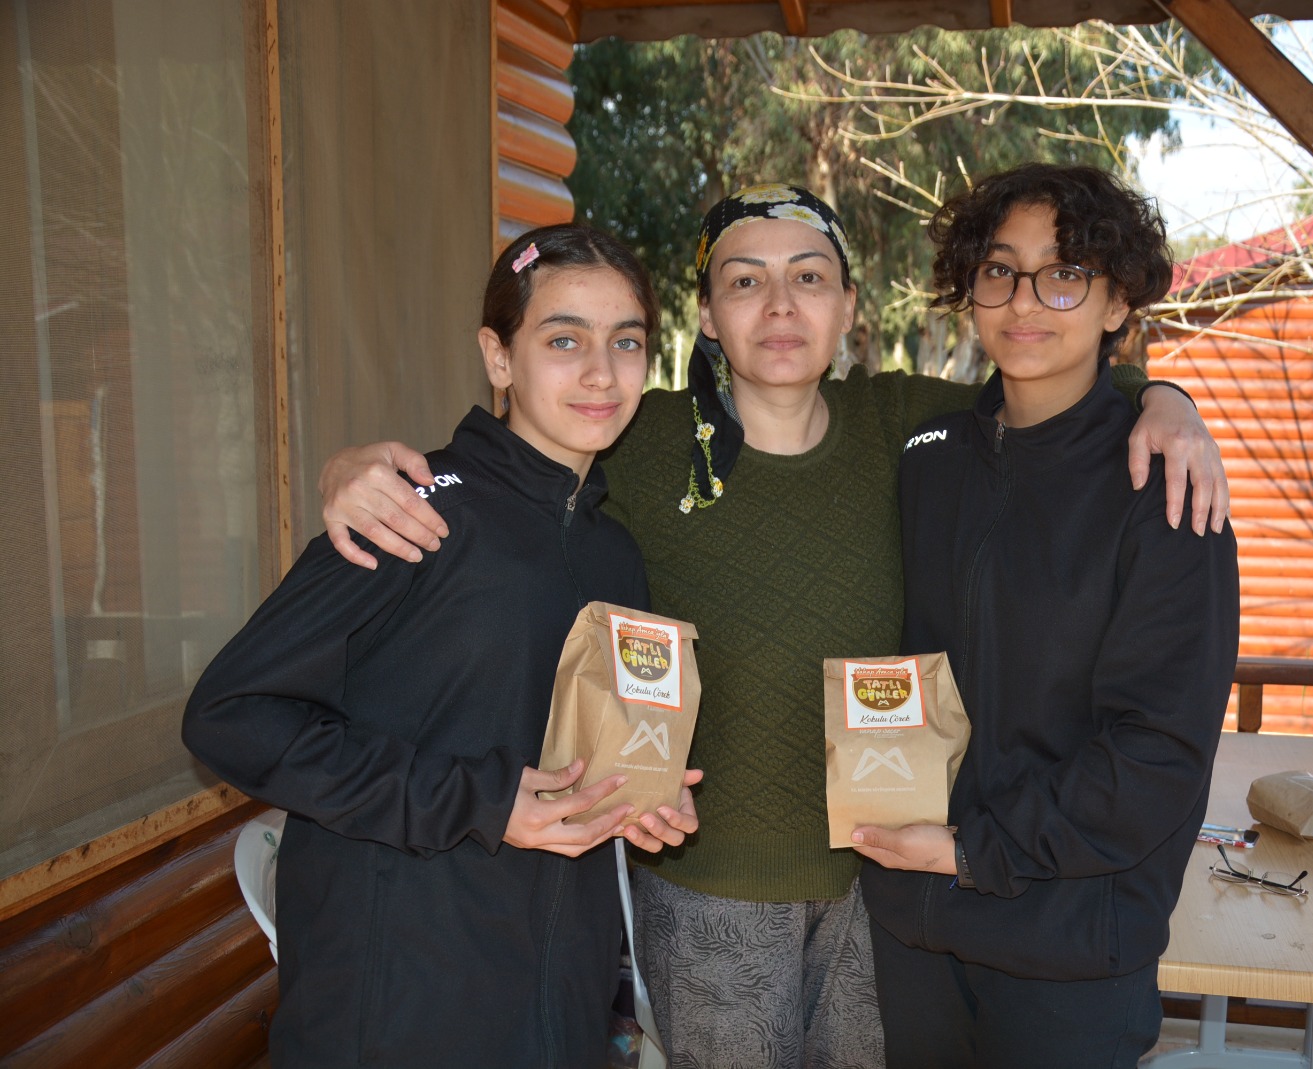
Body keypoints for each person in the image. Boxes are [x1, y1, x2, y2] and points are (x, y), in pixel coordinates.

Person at [316, 184, 1229, 1069]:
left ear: (848, 306)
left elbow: (1044, 384)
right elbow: (515, 464)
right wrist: (354, 470)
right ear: (708, 315)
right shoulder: (640, 435)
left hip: (881, 883)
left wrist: (1164, 398)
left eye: (809, 277)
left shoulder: (905, 425)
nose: (781, 306)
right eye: (746, 280)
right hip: (710, 888)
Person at [183, 224, 701, 1069]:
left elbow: (562, 750)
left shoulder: (614, 553)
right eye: (563, 339)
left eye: (627, 341)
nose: (601, 373)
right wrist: (480, 801)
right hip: (399, 1012)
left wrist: (637, 794)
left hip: (555, 1011)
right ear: (498, 357)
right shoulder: (414, 512)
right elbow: (230, 715)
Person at [850, 163, 1240, 1068]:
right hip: (915, 930)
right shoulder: (929, 461)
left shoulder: (1164, 491)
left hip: (1068, 950)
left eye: (1064, 273)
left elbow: (1157, 756)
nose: (1025, 301)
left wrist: (970, 849)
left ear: (1117, 302)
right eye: (1000, 271)